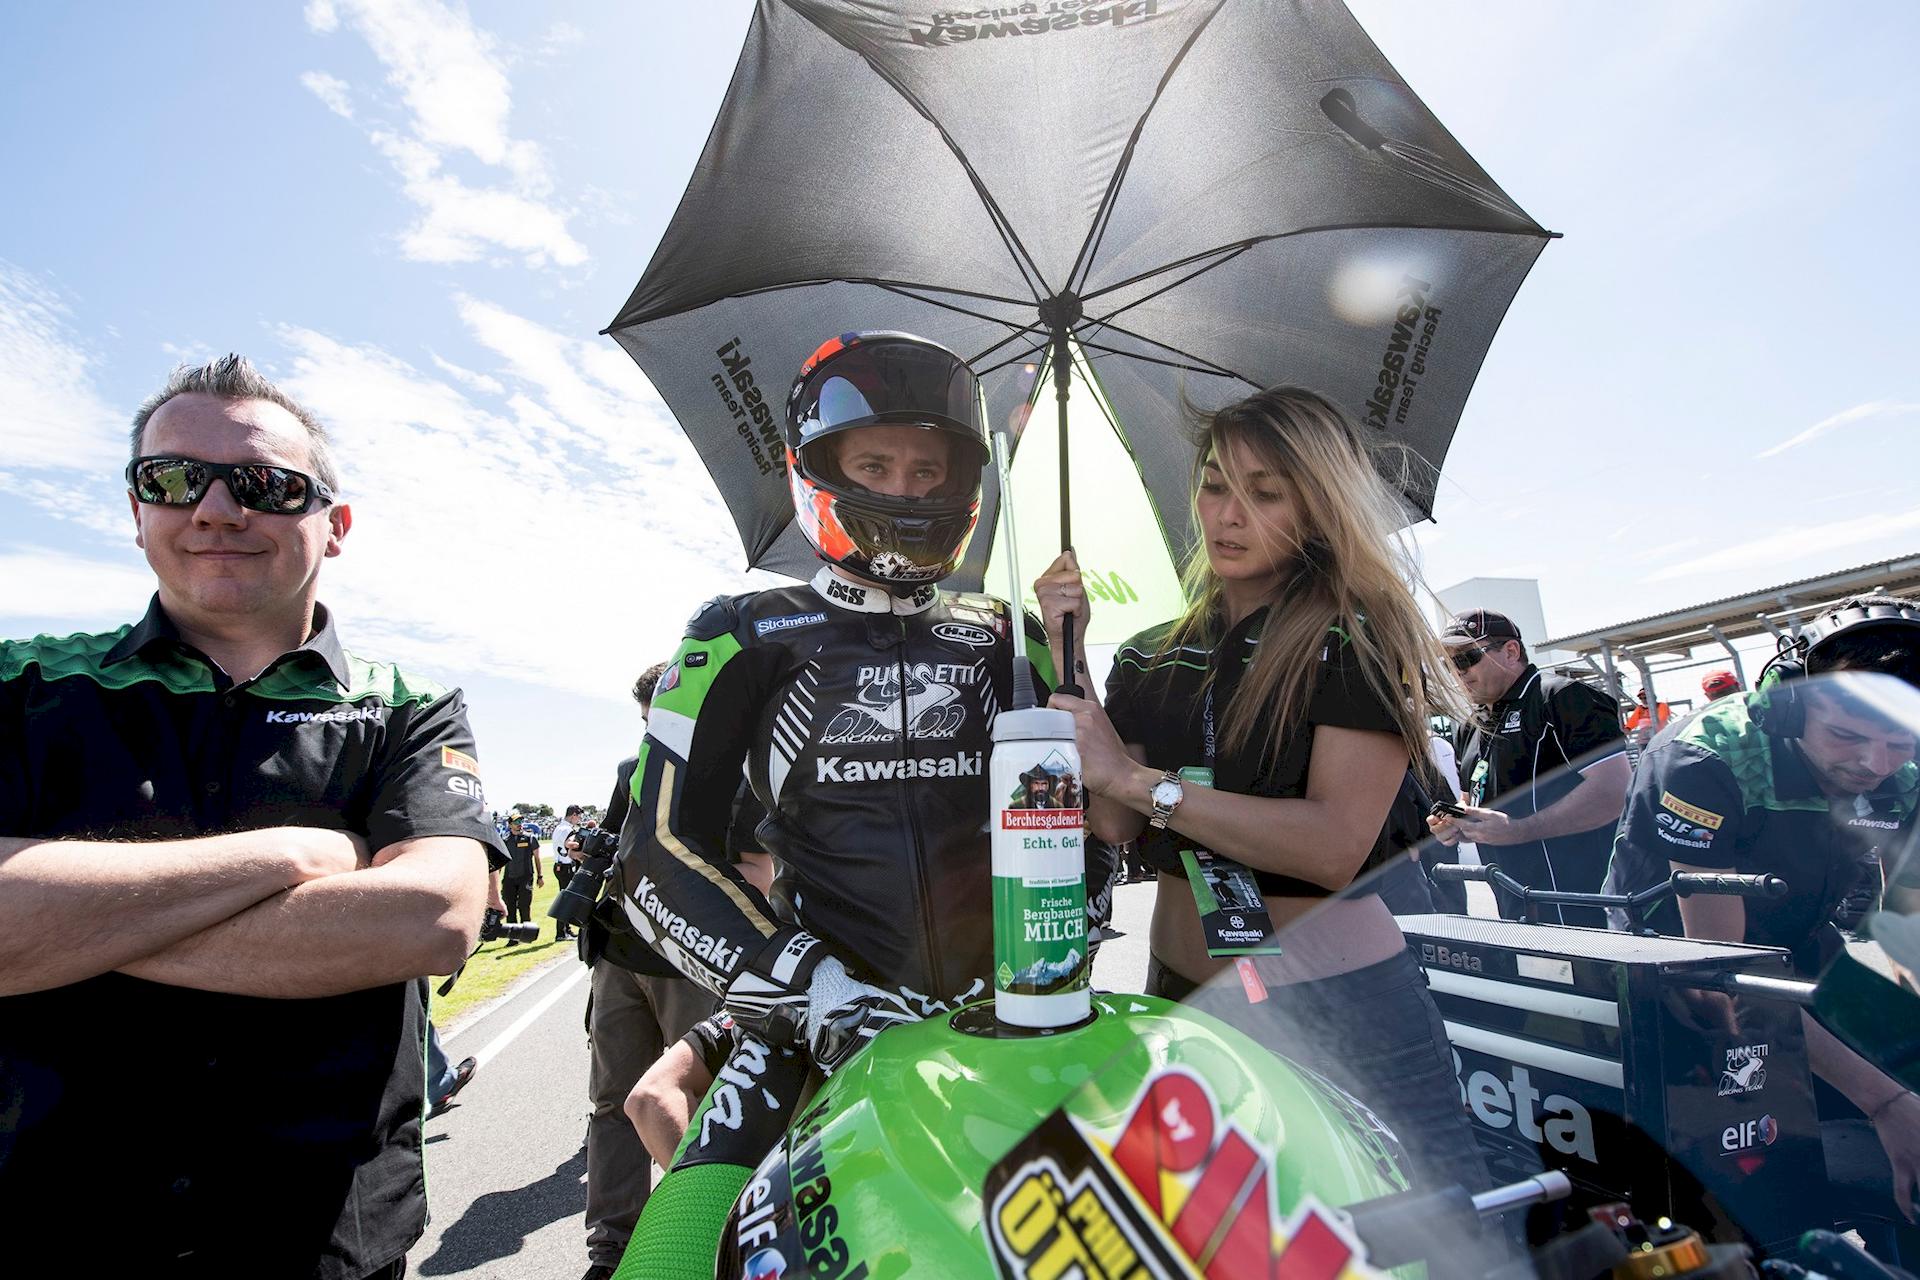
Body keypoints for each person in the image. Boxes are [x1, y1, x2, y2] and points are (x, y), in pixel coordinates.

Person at [0, 354, 501, 1279]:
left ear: (334, 526)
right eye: (174, 479)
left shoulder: (407, 706)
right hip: (49, 1224)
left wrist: (66, 923)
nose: (217, 510)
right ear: (137, 511)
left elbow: (430, 920)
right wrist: (297, 855)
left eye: (266, 486)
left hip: (324, 1238)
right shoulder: (22, 683)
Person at [610, 331, 1064, 1174]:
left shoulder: (1014, 636)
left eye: (927, 470)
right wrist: (811, 990)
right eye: (875, 466)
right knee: (689, 1232)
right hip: (815, 1027)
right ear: (817, 468)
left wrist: (1052, 954)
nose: (905, 490)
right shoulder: (738, 633)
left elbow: (1084, 821)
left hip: (1010, 1017)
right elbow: (655, 853)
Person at [1040, 385, 1487, 1194]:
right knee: (1215, 1236)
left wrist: (1143, 783)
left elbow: (1331, 847)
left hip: (1340, 1006)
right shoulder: (1146, 652)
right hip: (1181, 994)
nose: (1228, 514)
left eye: (1265, 493)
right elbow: (1111, 822)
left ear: (1316, 506)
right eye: (1214, 486)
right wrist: (1068, 651)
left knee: (1418, 1233)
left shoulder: (1357, 634)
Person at [1607, 597, 1920, 1246]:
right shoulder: (1705, 760)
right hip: (1675, 970)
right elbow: (1723, 975)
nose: (1875, 764)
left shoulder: (1904, 771)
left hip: (1798, 943)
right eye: (1847, 737)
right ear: (1792, 707)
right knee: (1754, 1186)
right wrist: (1886, 1102)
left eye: (1899, 742)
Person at [574, 665, 733, 1280]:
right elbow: (611, 847)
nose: (652, 733)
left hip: (694, 963)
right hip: (620, 956)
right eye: (645, 722)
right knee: (612, 1104)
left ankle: (706, 1232)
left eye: (660, 719)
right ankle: (612, 1250)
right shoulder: (631, 770)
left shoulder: (729, 770)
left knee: (705, 1103)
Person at [1428, 610, 1631, 927]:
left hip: (1584, 905)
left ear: (1511, 651)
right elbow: (1472, 799)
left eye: (1466, 658)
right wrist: (1457, 822)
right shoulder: (1471, 725)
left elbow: (1615, 791)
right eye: (1448, 664)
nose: (1457, 673)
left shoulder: (1561, 697)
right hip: (1515, 905)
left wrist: (1518, 830)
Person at [499, 812, 543, 940]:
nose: (519, 824)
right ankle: (513, 938)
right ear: (510, 825)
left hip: (525, 877)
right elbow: (500, 861)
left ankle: (526, 935)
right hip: (509, 878)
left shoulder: (530, 838)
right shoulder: (505, 840)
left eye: (520, 822)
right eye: (516, 822)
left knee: (524, 906)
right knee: (510, 907)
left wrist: (540, 876)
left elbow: (537, 858)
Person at [551, 804, 585, 940]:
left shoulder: (559, 827)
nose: (579, 819)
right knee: (566, 900)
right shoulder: (567, 829)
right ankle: (561, 932)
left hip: (560, 865)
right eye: (578, 816)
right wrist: (580, 843)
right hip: (566, 866)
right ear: (574, 815)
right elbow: (569, 844)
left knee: (565, 898)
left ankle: (566, 929)